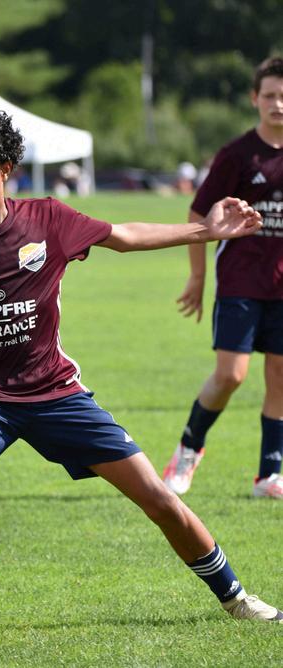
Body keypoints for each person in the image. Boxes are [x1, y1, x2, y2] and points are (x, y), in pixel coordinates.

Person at [0, 101, 283, 646]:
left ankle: (235, 596)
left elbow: (124, 235)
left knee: (157, 496)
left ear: (6, 169)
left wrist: (205, 231)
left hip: (56, 392)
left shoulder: (49, 219)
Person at [163, 57, 283, 500]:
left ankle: (269, 475)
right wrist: (197, 277)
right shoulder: (238, 155)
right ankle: (187, 450)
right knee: (231, 375)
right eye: (269, 95)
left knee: (280, 375)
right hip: (239, 283)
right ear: (254, 99)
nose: (278, 103)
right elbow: (198, 214)